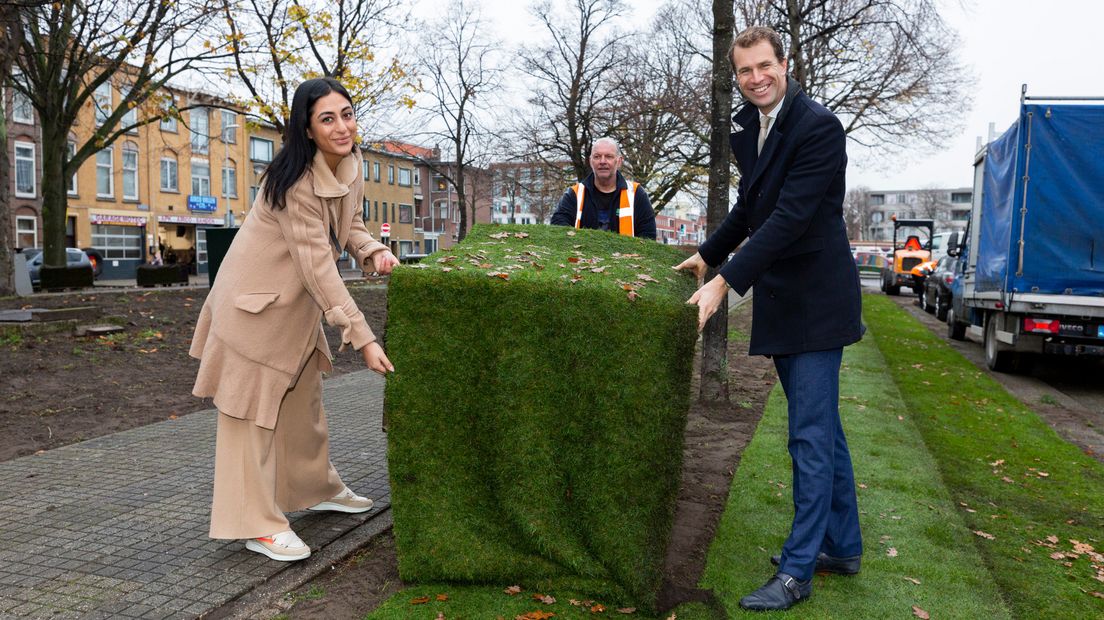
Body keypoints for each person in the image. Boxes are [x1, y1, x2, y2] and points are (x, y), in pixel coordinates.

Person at [674, 26, 864, 611]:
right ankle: (842, 544)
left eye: (765, 66)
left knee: (808, 437)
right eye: (745, 71)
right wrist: (707, 254)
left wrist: (726, 281)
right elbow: (751, 208)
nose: (756, 78)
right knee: (823, 431)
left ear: (786, 62)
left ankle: (799, 572)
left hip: (818, 304)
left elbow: (787, 220)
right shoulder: (747, 126)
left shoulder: (819, 128)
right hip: (784, 301)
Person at [190, 77, 399, 562]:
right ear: (306, 129)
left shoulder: (351, 163)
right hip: (253, 312)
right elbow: (317, 266)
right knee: (250, 417)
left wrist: (373, 252)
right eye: (328, 118)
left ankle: (311, 489)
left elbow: (351, 226)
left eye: (346, 113)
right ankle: (255, 523)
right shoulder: (293, 184)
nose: (343, 126)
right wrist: (363, 337)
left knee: (302, 405)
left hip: (294, 311)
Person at [550, 137, 656, 239]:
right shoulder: (574, 195)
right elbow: (558, 230)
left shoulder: (636, 194)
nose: (602, 161)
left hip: (628, 257)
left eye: (609, 156)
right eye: (597, 156)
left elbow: (648, 238)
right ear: (591, 161)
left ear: (619, 161)